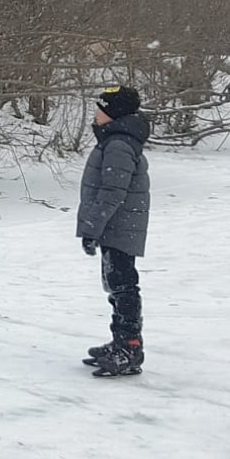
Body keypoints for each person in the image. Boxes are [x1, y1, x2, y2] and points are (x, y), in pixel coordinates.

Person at [77, 85, 150, 377]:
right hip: (119, 225)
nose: (96, 113)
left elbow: (112, 192)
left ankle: (129, 347)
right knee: (117, 285)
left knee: (123, 285)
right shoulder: (116, 140)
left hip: (119, 226)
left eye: (102, 109)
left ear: (114, 113)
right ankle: (121, 342)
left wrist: (92, 228)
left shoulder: (118, 144)